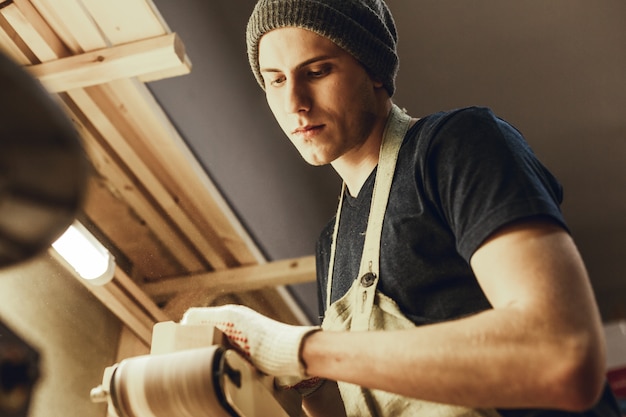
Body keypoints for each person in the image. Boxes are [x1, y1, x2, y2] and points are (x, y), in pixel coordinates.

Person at [181, 1, 621, 416]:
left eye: (316, 71)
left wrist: (298, 347)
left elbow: (562, 353)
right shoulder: (330, 246)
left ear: (374, 71)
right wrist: (302, 379)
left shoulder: (454, 146)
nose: (294, 101)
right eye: (275, 79)